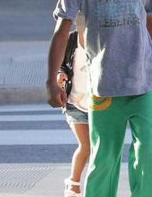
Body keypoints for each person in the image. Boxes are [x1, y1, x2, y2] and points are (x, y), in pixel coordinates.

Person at [46, 0, 152, 197]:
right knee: (105, 157)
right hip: (104, 89)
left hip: (143, 85)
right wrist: (51, 80)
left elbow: (149, 17)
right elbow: (61, 34)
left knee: (148, 151)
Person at [56, 18, 90, 197]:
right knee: (86, 145)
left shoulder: (102, 40)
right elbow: (60, 65)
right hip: (75, 103)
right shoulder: (71, 39)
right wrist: (60, 74)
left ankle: (92, 186)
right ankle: (73, 184)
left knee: (99, 149)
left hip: (100, 104)